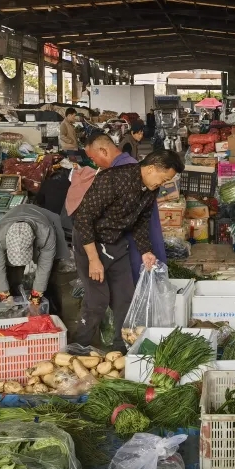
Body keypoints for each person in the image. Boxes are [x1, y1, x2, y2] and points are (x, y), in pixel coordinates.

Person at [72, 149, 184, 349]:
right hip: (91, 242)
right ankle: (78, 348)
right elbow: (83, 219)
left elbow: (141, 222)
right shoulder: (114, 180)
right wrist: (93, 259)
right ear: (151, 169)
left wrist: (145, 250)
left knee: (125, 298)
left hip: (116, 243)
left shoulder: (150, 188)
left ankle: (121, 350)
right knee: (97, 300)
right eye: (164, 178)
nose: (164, 184)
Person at [67, 131, 167, 279]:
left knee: (136, 282)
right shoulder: (131, 166)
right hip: (143, 240)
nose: (95, 163)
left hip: (136, 242)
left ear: (103, 151)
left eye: (93, 158)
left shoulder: (122, 173)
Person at [0, 204, 67, 315]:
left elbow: (45, 265)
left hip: (47, 220)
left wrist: (36, 297)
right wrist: (4, 294)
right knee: (12, 277)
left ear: (34, 240)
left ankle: (52, 312)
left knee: (50, 279)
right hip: (11, 219)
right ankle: (16, 311)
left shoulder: (46, 233)